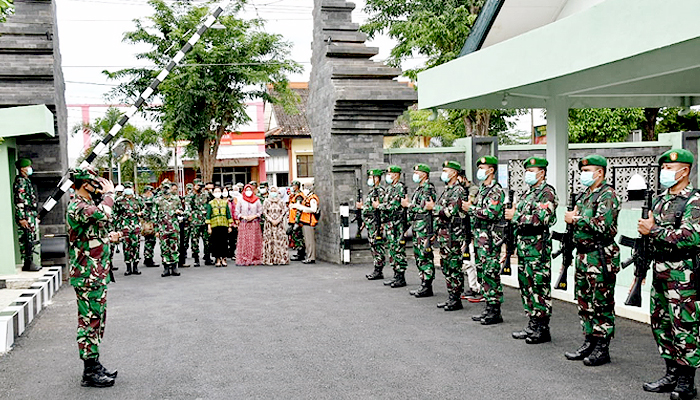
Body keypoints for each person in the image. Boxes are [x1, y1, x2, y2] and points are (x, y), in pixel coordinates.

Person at [638, 149, 700, 399]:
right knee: (661, 323)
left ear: (684, 171)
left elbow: (691, 236)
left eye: (669, 168)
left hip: (683, 275)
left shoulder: (694, 201)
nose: (664, 173)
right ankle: (671, 373)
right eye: (663, 168)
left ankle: (687, 381)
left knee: (683, 326)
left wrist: (653, 231)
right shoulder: (661, 200)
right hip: (661, 271)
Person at [564, 154, 620, 367]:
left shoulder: (608, 195)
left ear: (600, 172)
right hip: (583, 255)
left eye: (588, 171)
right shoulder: (584, 196)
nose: (583, 174)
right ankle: (589, 340)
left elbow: (603, 225)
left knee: (601, 302)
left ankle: (602, 346)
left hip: (601, 256)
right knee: (584, 301)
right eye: (583, 171)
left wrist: (577, 219)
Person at [66, 167, 119, 388]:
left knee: (97, 320)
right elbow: (104, 214)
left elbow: (91, 234)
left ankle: (94, 363)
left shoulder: (85, 205)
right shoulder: (77, 205)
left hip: (95, 272)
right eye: (94, 182)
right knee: (89, 321)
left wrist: (107, 238)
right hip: (87, 274)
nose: (98, 185)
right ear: (85, 184)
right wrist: (110, 194)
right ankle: (89, 371)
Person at [505, 157, 558, 344]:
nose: (528, 174)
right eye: (526, 170)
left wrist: (516, 215)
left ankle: (543, 327)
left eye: (531, 170)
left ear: (541, 173)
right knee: (526, 285)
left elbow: (543, 218)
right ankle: (532, 322)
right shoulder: (529, 194)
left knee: (539, 286)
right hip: (524, 247)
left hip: (538, 248)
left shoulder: (547, 193)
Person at [467, 156, 505, 324]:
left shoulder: (496, 191)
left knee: (491, 273)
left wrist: (471, 209)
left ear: (491, 170)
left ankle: (495, 310)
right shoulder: (483, 190)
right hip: (479, 238)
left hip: (490, 239)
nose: (480, 171)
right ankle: (488, 307)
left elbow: (491, 213)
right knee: (483, 272)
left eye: (483, 168)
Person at [426, 161, 467, 310]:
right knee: (446, 266)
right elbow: (441, 215)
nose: (443, 173)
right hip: (445, 234)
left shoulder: (458, 191)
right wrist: (435, 231)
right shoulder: (447, 190)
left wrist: (433, 207)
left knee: (454, 266)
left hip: (453, 235)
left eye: (446, 170)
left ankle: (456, 298)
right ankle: (451, 296)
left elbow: (449, 212)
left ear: (454, 173)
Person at [403, 164, 437, 297]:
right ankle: (423, 282)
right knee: (418, 255)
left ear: (424, 174)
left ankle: (427, 284)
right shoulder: (419, 189)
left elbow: (424, 208)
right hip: (418, 227)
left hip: (424, 227)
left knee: (424, 256)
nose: (415, 174)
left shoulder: (428, 189)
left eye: (418, 172)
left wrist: (408, 205)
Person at [375, 166, 407, 286]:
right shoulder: (389, 188)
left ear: (396, 175)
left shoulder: (399, 188)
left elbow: (393, 206)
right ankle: (395, 275)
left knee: (398, 249)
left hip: (396, 224)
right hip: (389, 224)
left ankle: (400, 276)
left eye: (390, 174)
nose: (388, 176)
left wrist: (378, 206)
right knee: (392, 249)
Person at [458, 171, 483, 303]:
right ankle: (473, 287)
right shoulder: (462, 190)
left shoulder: (473, 190)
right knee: (468, 263)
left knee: (475, 263)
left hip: (475, 231)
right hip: (467, 231)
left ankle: (480, 289)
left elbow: (469, 206)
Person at [13, 157, 40, 271]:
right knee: (26, 239)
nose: (30, 169)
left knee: (31, 238)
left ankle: (30, 261)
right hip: (25, 214)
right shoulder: (20, 181)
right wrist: (21, 217)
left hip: (30, 213)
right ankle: (27, 262)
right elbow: (19, 200)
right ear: (22, 169)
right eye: (28, 167)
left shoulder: (26, 180)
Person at [359, 170, 387, 280]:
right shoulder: (372, 192)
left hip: (376, 223)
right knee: (373, 246)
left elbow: (380, 208)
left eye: (372, 177)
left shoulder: (380, 192)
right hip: (370, 223)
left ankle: (379, 269)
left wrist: (382, 223)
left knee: (377, 246)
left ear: (377, 178)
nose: (370, 179)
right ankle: (376, 268)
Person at [113, 181, 143, 276]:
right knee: (126, 247)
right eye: (126, 188)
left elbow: (145, 209)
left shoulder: (138, 199)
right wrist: (117, 228)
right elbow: (115, 214)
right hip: (125, 226)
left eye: (130, 187)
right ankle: (128, 267)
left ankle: (135, 266)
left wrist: (141, 213)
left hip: (136, 226)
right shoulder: (119, 201)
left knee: (136, 247)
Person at [155, 182, 184, 277]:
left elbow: (182, 211)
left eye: (168, 188)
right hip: (162, 228)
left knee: (174, 247)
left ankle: (174, 267)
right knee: (164, 248)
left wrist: (179, 212)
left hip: (174, 227)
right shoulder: (158, 200)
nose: (166, 190)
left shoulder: (176, 199)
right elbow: (154, 215)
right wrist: (156, 230)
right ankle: (166, 268)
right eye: (164, 188)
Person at [236, 184, 263, 265]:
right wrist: (243, 216)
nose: (248, 192)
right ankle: (244, 257)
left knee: (254, 240)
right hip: (244, 223)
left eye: (250, 190)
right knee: (245, 241)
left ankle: (255, 258)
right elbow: (237, 212)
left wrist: (254, 216)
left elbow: (260, 211)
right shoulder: (241, 200)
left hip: (254, 223)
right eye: (247, 190)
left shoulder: (257, 200)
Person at [262, 186, 290, 265]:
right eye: (272, 191)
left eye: (275, 191)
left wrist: (278, 219)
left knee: (279, 241)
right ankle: (269, 259)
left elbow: (284, 211)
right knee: (270, 241)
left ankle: (280, 258)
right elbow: (264, 212)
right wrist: (271, 220)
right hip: (269, 224)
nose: (273, 193)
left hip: (279, 224)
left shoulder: (281, 201)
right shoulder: (266, 201)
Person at [206, 186, 233, 267]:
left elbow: (228, 214)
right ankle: (217, 259)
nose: (217, 193)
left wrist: (230, 225)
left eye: (219, 191)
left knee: (224, 242)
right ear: (213, 193)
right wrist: (209, 227)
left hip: (224, 224)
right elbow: (208, 216)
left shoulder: (224, 202)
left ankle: (224, 258)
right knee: (215, 243)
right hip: (215, 225)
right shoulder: (210, 203)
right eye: (216, 192)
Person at [293, 182, 320, 264]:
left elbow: (313, 209)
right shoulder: (308, 197)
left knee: (310, 241)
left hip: (309, 222)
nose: (303, 190)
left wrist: (302, 208)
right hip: (305, 221)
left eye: (305, 188)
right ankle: (309, 256)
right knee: (307, 241)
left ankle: (311, 257)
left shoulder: (312, 198)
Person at [190, 179, 210, 267]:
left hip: (205, 220)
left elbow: (211, 202)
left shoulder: (206, 194)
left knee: (207, 240)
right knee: (195, 240)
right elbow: (188, 205)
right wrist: (194, 192)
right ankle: (196, 259)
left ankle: (207, 257)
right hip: (195, 221)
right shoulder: (191, 195)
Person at [141, 185, 159, 268]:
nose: (151, 193)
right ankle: (148, 259)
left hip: (149, 222)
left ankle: (148, 258)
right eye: (150, 191)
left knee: (150, 241)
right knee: (150, 241)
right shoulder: (145, 199)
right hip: (148, 222)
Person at [288, 181, 306, 261]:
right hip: (293, 219)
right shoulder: (294, 195)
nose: (292, 187)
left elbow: (299, 209)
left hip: (297, 220)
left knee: (298, 237)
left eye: (294, 185)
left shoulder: (299, 196)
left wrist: (296, 222)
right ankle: (299, 253)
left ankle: (301, 254)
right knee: (295, 237)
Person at [228, 186, 241, 259]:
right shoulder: (229, 199)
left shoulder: (239, 198)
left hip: (234, 221)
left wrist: (236, 220)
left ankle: (233, 252)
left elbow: (234, 211)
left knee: (234, 238)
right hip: (225, 221)